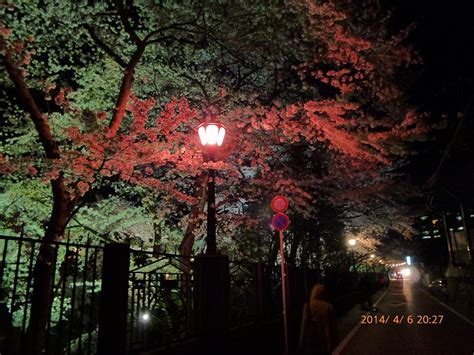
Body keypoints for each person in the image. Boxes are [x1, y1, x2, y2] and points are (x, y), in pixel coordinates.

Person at [298, 284, 338, 355]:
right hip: (325, 341)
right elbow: (333, 327)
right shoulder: (328, 307)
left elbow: (303, 326)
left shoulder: (307, 306)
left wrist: (301, 342)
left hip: (311, 342)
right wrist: (334, 342)